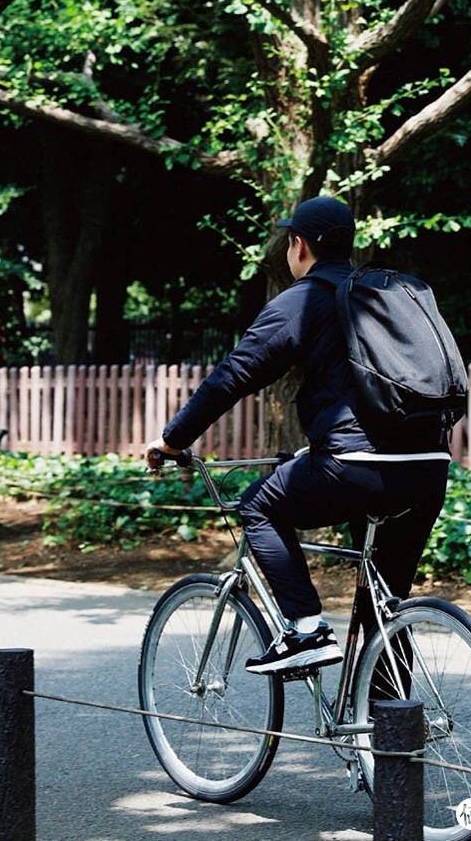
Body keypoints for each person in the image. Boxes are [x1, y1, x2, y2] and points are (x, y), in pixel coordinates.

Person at [144, 195, 450, 675]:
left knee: (258, 506)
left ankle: (306, 629)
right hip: (429, 467)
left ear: (299, 245)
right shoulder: (383, 297)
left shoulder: (304, 298)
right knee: (384, 607)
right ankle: (391, 740)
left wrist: (173, 440)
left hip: (355, 466)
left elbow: (234, 375)